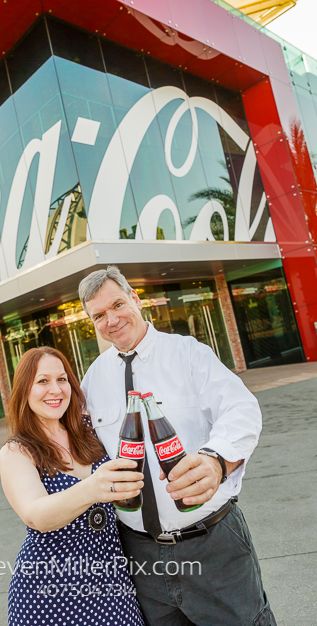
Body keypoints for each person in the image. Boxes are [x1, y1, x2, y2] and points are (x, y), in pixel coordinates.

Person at [79, 265, 276, 626]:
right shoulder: (92, 380)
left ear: (135, 300)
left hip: (212, 544)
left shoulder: (187, 353)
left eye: (118, 305)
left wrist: (217, 461)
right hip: (140, 554)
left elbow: (240, 408)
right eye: (99, 315)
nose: (112, 319)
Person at [0, 346, 145, 626]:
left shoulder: (91, 432)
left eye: (62, 379)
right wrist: (93, 488)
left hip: (112, 582)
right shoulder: (17, 452)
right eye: (42, 381)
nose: (55, 389)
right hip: (49, 593)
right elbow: (36, 515)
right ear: (24, 390)